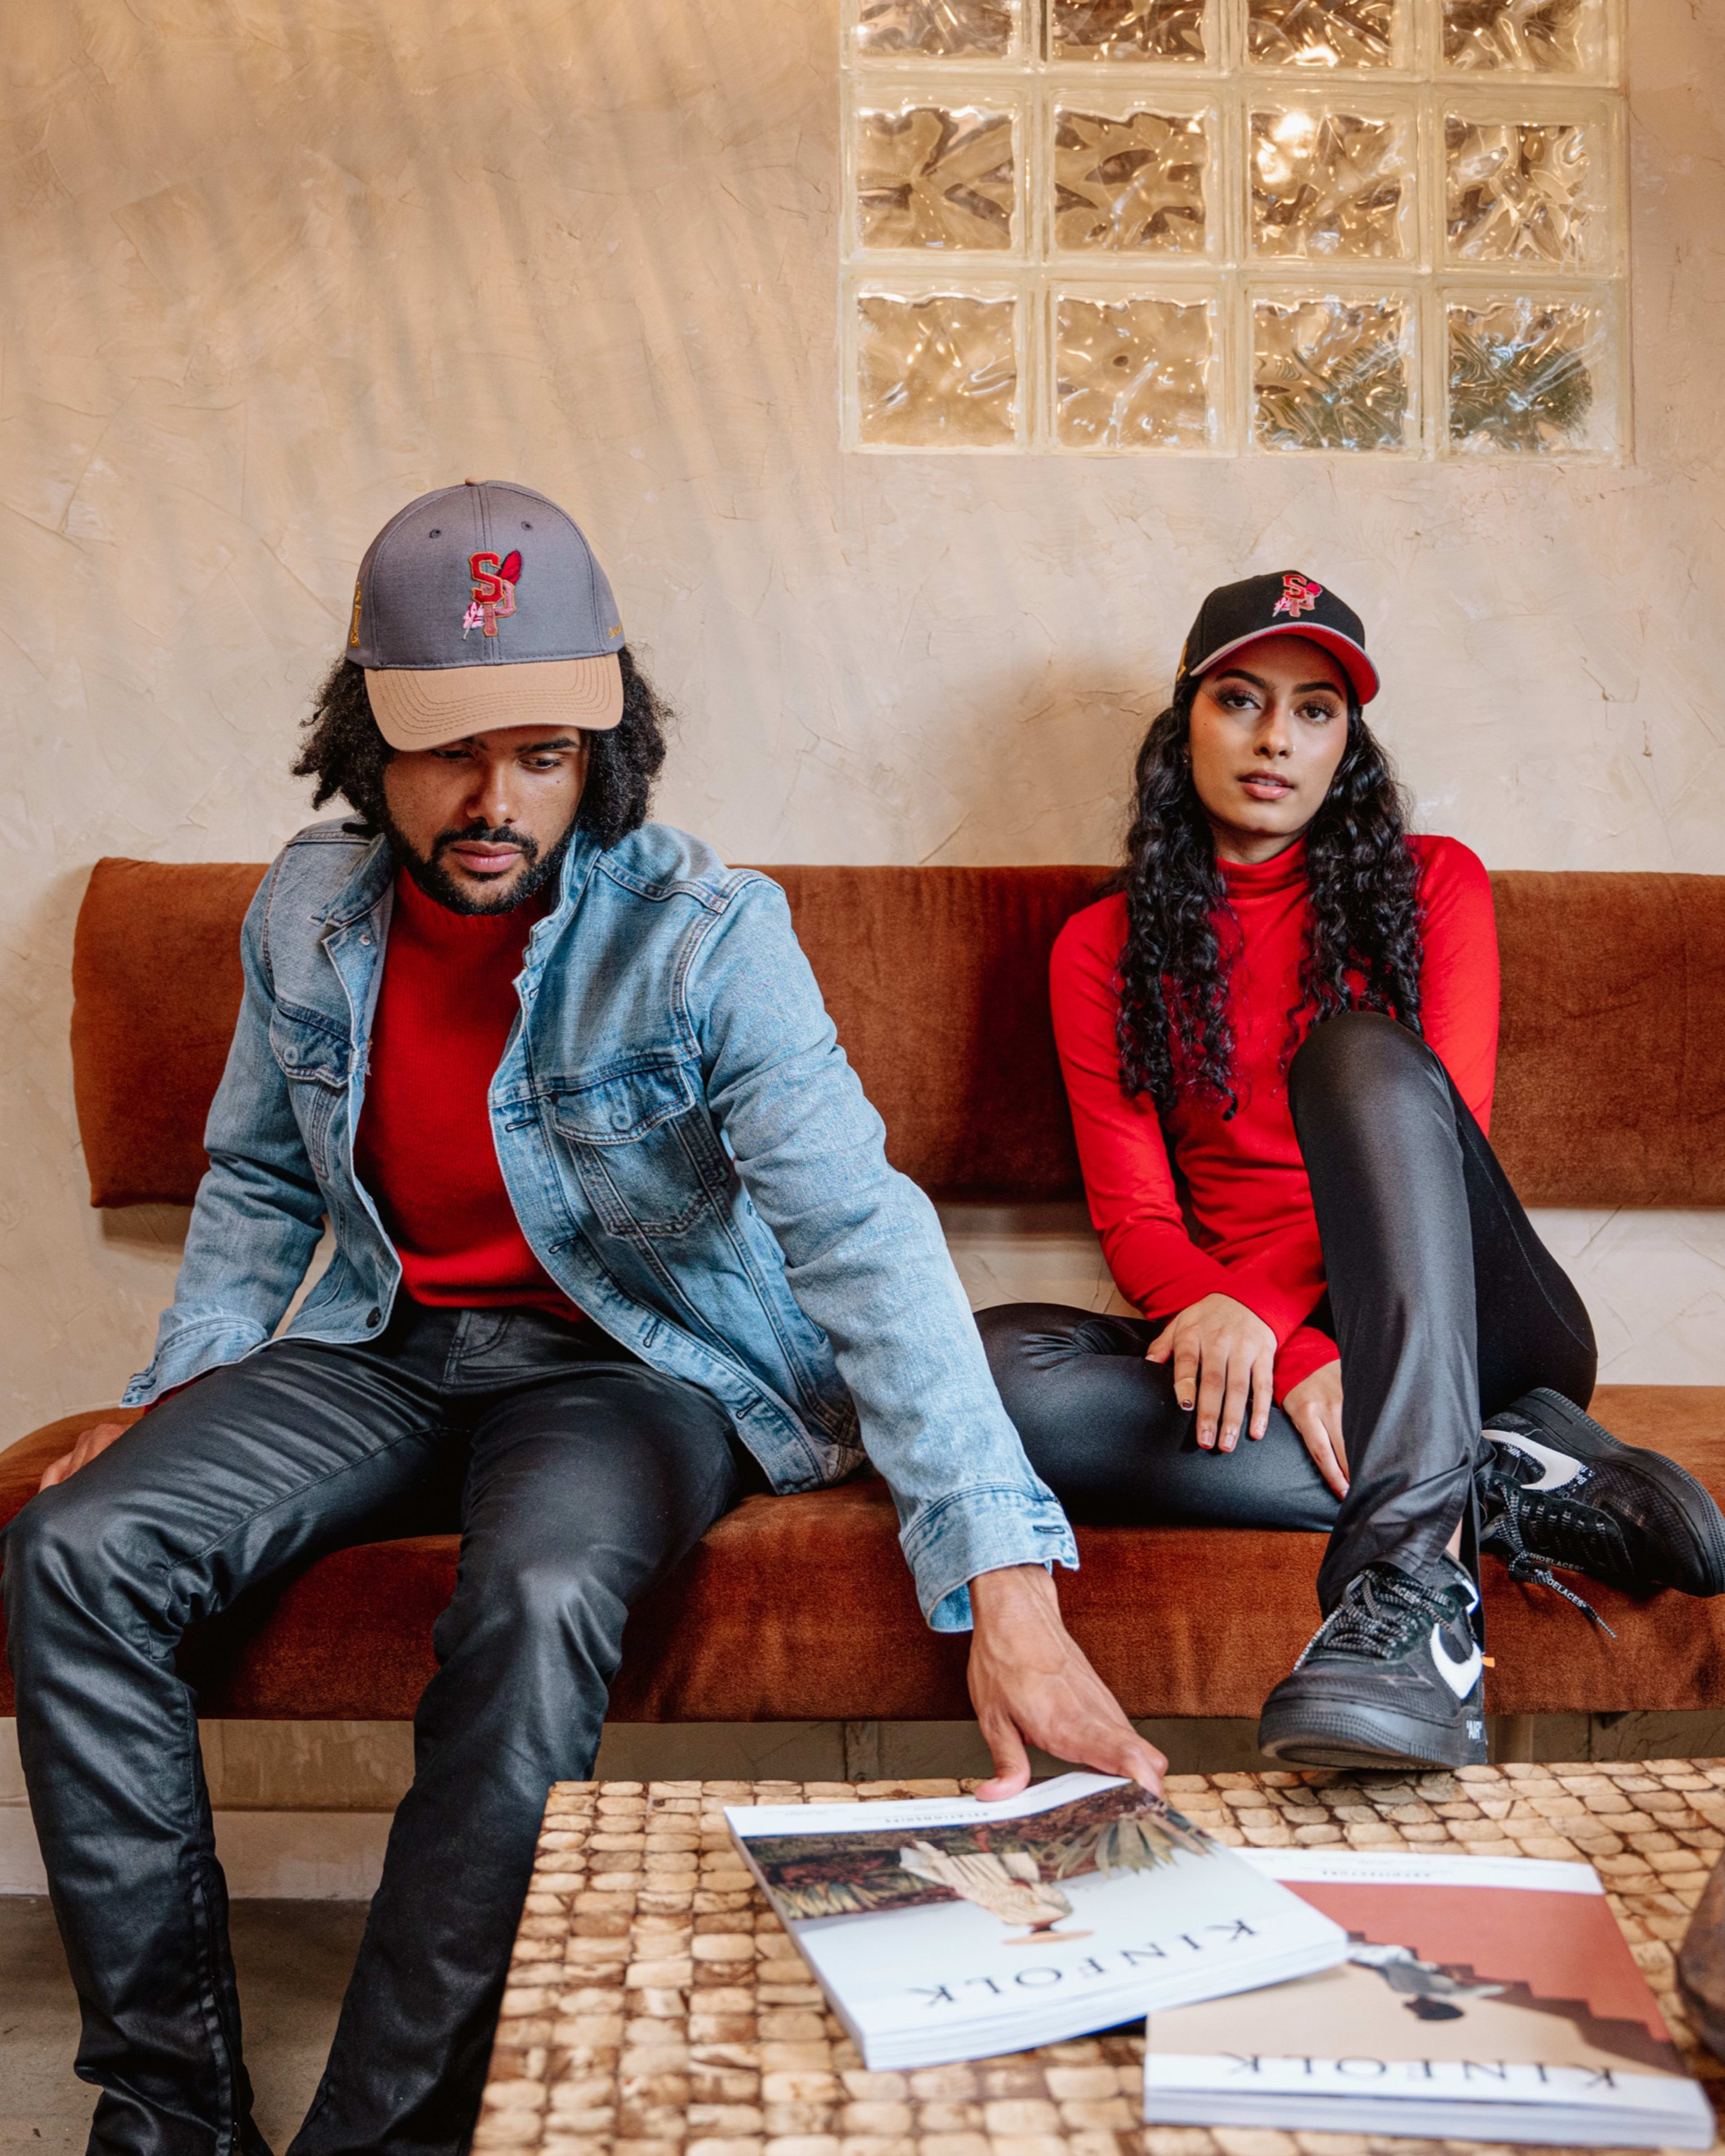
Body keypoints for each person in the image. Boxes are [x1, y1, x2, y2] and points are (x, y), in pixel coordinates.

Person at [2, 481, 1161, 2156]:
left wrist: (1012, 1591)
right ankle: (167, 2116)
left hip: (637, 1368)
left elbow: (864, 1237)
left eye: (544, 753)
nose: (495, 801)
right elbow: (260, 1188)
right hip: (387, 1347)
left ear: (601, 755)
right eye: (449, 750)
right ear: (363, 736)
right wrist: (179, 1391)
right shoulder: (303, 915)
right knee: (77, 1549)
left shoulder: (704, 935)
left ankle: (383, 2138)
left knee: (542, 1588)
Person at [978, 570, 1725, 1776]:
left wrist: (1288, 1327)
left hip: (1465, 1319)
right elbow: (1138, 1222)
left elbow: (1435, 1151)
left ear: (1347, 745)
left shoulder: (1437, 887)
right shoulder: (1100, 949)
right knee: (999, 1379)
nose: (1276, 737)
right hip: (1270, 1351)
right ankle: (1503, 1475)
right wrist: (1283, 1343)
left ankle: (1407, 1597)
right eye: (1241, 699)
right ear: (1185, 727)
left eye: (1316, 710)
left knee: (1361, 1065)